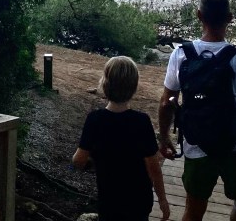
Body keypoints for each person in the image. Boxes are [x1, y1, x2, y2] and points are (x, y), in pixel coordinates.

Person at [158, 0, 236, 221]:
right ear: (230, 18)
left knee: (193, 209)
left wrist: (164, 139)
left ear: (198, 15)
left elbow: (166, 102)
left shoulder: (181, 55)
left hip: (195, 146)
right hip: (235, 146)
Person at [73, 57, 171, 221]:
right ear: (134, 86)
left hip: (109, 200)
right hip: (139, 201)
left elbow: (78, 160)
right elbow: (153, 167)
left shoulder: (95, 119)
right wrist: (162, 200)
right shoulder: (142, 121)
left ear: (105, 84)